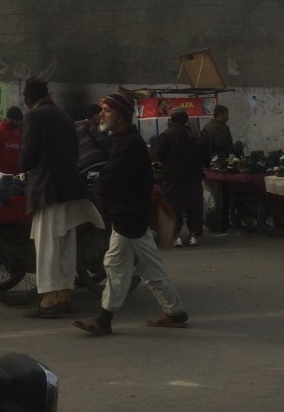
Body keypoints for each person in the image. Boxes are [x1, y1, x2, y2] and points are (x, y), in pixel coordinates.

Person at [73, 92, 189, 337]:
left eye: (106, 110)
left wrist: (97, 188)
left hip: (130, 218)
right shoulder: (124, 139)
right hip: (129, 216)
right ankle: (175, 313)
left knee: (119, 265)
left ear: (121, 115)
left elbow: (110, 177)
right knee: (136, 267)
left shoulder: (129, 144)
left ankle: (106, 319)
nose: (101, 114)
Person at [19, 77, 103, 319]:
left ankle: (49, 299)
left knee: (47, 245)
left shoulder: (33, 117)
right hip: (71, 186)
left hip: (47, 188)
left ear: (28, 99)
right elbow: (75, 153)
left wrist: (23, 165)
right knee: (66, 243)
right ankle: (65, 294)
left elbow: (28, 155)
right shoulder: (66, 118)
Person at [154, 107, 205, 247]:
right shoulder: (194, 134)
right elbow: (203, 152)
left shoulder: (167, 134)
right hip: (193, 176)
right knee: (193, 206)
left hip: (173, 177)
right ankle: (193, 234)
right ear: (185, 119)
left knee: (174, 206)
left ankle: (176, 236)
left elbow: (160, 154)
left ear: (172, 119)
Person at [202, 104, 244, 227]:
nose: (228, 117)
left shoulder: (214, 127)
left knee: (222, 196)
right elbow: (223, 145)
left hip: (217, 166)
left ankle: (223, 222)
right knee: (219, 196)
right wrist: (235, 148)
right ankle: (220, 223)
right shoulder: (213, 129)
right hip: (216, 167)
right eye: (226, 115)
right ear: (220, 115)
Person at [75, 102, 112, 172]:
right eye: (98, 114)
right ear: (93, 115)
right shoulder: (88, 124)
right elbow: (101, 141)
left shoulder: (76, 125)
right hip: (97, 163)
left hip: (82, 169)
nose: (101, 117)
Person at [0, 106, 23, 173]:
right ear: (10, 119)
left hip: (16, 176)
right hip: (1, 176)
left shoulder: (17, 133)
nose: (18, 123)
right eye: (17, 121)